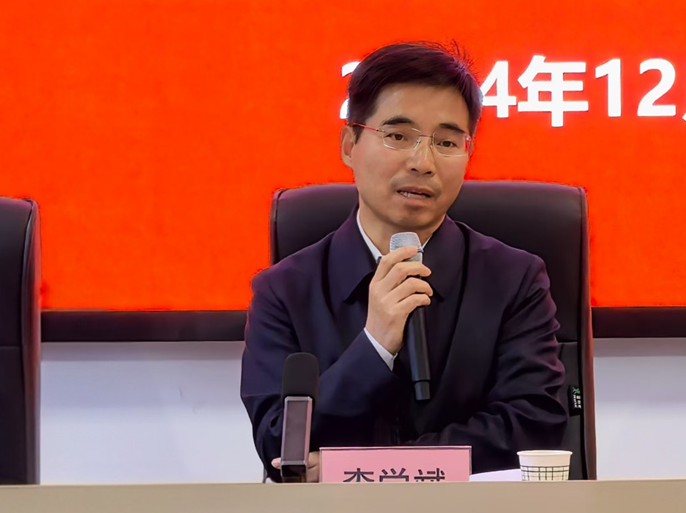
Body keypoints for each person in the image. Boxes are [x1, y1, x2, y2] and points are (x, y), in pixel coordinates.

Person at [241, 41, 566, 481]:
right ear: (349, 145)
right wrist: (375, 344)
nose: (422, 162)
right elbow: (279, 446)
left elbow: (533, 427)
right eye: (398, 136)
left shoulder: (514, 280)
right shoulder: (284, 291)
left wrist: (372, 468)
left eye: (446, 142)